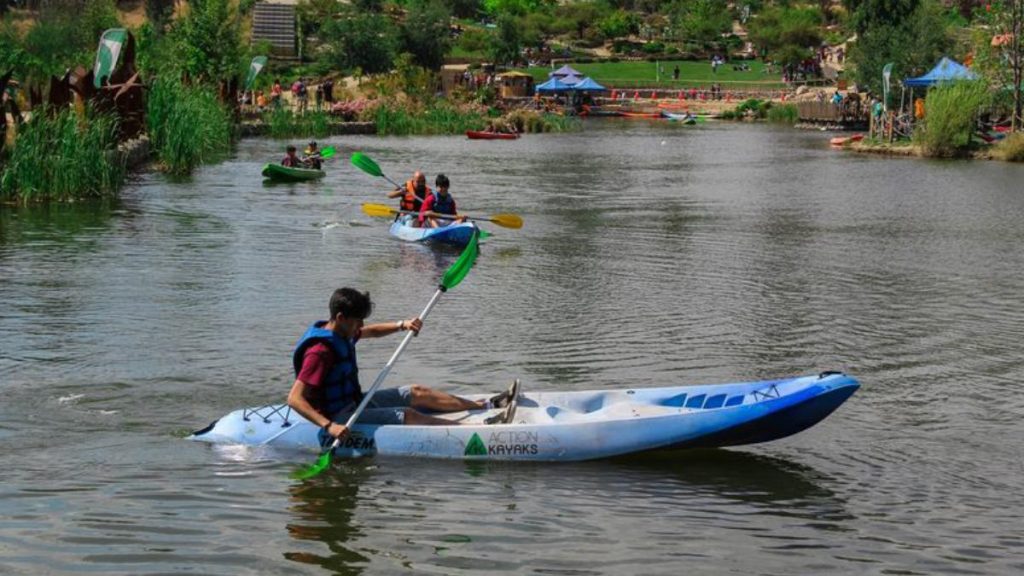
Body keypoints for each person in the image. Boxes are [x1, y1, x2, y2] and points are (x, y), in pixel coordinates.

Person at [287, 288, 519, 441]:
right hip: (338, 416)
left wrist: (402, 324)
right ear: (340, 318)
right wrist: (329, 427)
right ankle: (476, 433)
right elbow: (294, 399)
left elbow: (371, 332)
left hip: (355, 401)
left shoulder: (344, 332)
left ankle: (485, 405)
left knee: (415, 391)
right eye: (358, 320)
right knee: (406, 414)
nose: (361, 325)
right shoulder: (319, 353)